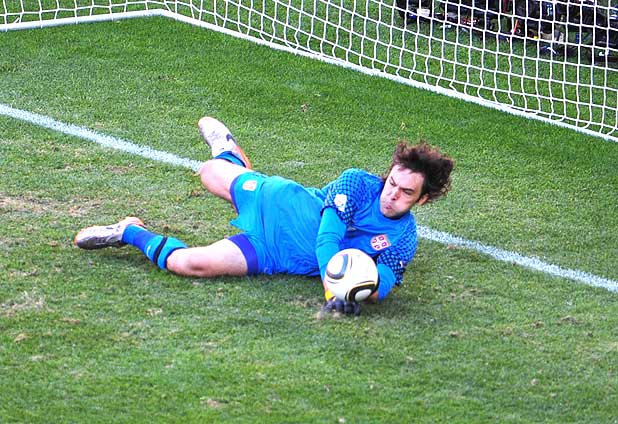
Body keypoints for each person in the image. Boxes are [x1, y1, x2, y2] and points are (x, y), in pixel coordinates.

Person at [74, 116, 454, 315]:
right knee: (208, 173)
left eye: (406, 192)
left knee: (188, 264)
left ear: (422, 200)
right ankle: (229, 154)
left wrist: (362, 292)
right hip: (280, 204)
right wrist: (332, 287)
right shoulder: (357, 183)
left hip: (272, 253)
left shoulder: (404, 238)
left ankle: (127, 231)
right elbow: (328, 239)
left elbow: (384, 281)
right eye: (392, 183)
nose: (392, 194)